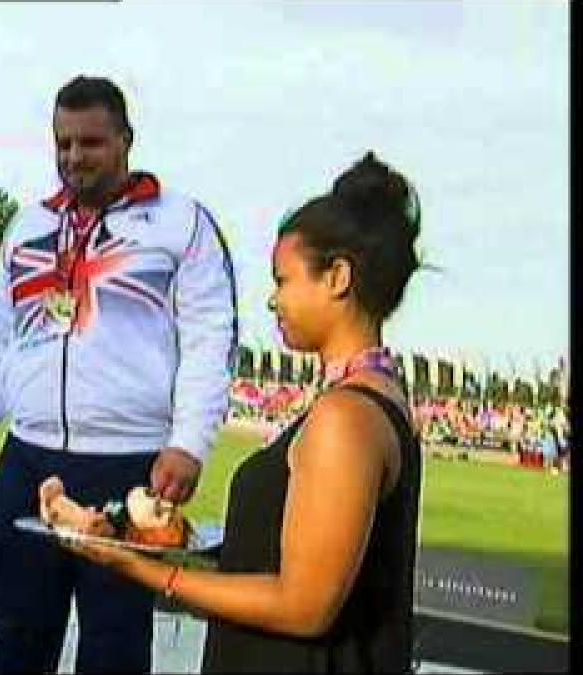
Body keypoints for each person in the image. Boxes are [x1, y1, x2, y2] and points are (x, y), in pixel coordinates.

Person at [55, 152, 424, 673]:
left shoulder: (346, 418)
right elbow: (276, 558)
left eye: (284, 279)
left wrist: (142, 570)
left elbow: (304, 607)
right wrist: (147, 538)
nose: (273, 301)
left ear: (338, 277)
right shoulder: (364, 403)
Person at [0, 75, 238, 674]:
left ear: (126, 141)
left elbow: (212, 339)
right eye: (63, 143)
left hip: (128, 466)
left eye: (90, 142)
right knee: (11, 644)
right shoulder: (26, 227)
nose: (74, 158)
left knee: (114, 652)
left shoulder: (182, 223)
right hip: (25, 460)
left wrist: (188, 443)